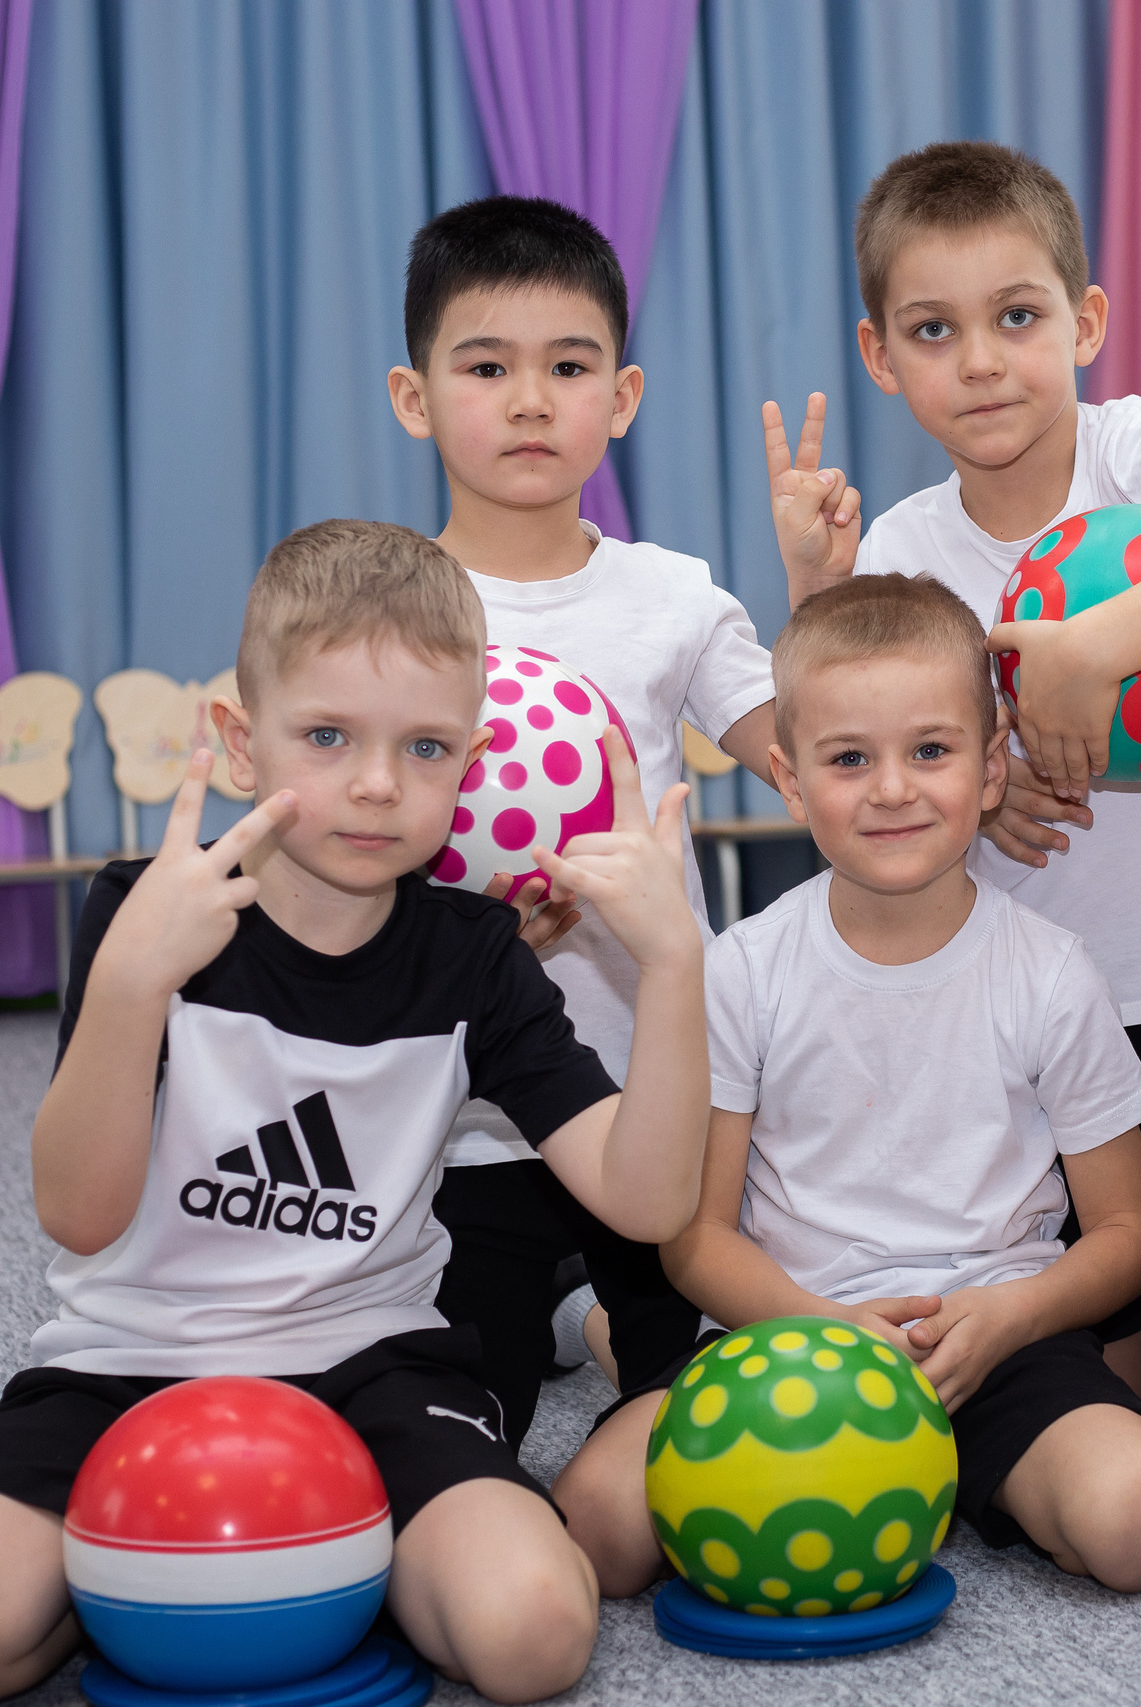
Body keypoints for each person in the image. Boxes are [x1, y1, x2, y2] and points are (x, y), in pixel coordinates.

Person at [0, 521, 710, 1706]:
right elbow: (79, 1214)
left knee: (534, 1636)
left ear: (471, 761)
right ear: (241, 743)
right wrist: (134, 983)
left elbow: (647, 1196)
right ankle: (116, 1597)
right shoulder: (148, 913)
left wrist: (672, 972)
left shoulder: (478, 959)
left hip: (378, 1366)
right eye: (327, 736)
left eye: (425, 748)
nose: (375, 783)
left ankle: (338, 1568)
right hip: (124, 1369)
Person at [763, 141, 1141, 1392]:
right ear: (881, 356)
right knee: (1090, 1365)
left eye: (1018, 315)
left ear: (1084, 322)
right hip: (1036, 1000)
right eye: (933, 330)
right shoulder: (904, 546)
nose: (981, 359)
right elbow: (865, 761)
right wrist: (983, 768)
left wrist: (1088, 655)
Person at [553, 574, 1141, 1600]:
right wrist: (811, 1324)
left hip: (993, 1345)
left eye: (932, 751)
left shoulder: (1050, 970)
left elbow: (1129, 1239)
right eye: (849, 759)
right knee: (597, 1536)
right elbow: (696, 1239)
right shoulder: (742, 970)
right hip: (787, 1344)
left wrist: (1011, 1317)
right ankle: (595, 1324)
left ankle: (952, 1475)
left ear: (993, 768)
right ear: (788, 777)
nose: (893, 788)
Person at [386, 196, 775, 1451]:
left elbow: (811, 759)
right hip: (463, 1133)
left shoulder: (670, 596)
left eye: (569, 366)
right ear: (415, 397)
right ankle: (558, 1317)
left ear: (624, 395)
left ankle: (603, 1322)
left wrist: (820, 590)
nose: (531, 400)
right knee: (461, 1437)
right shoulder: (380, 614)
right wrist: (475, 927)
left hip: (657, 1105)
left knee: (696, 1430)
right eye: (486, 366)